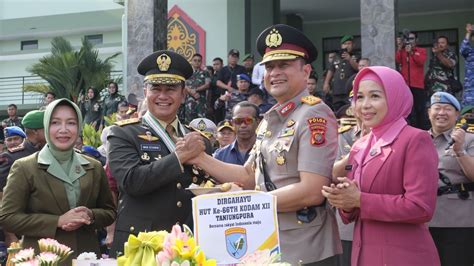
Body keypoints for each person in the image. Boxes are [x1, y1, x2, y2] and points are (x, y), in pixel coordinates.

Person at [189, 24, 342, 265]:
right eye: (270, 66)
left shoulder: (314, 115)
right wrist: (200, 158)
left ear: (306, 71)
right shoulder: (270, 119)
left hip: (307, 249)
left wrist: (248, 202)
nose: (275, 73)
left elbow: (313, 190)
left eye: (284, 65)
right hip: (269, 245)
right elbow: (249, 176)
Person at [322, 66, 440, 266]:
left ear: (395, 97)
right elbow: (353, 209)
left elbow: (421, 207)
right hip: (364, 256)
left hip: (404, 258)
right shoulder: (360, 144)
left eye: (375, 96)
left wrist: (360, 200)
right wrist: (345, 200)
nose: (364, 105)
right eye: (359, 97)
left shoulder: (414, 139)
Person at [107, 50, 210, 256]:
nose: (163, 96)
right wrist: (180, 157)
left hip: (187, 248)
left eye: (171, 88)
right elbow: (131, 181)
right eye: (156, 88)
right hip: (140, 248)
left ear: (183, 93)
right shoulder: (123, 133)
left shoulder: (198, 139)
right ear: (145, 91)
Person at [0, 99, 116, 264]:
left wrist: (90, 215)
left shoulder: (94, 166)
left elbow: (109, 212)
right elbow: (8, 217)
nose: (63, 130)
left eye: (71, 123)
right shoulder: (25, 167)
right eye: (55, 123)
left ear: (79, 127)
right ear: (46, 127)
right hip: (42, 258)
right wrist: (58, 221)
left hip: (85, 256)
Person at [427, 92, 474, 266]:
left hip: (459, 220)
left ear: (457, 115)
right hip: (423, 220)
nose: (441, 113)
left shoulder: (469, 139)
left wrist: (460, 150)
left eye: (448, 109)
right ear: (428, 112)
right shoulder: (417, 139)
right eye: (437, 108)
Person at [395, 31, 428, 129]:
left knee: (420, 110)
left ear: (416, 40)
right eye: (407, 39)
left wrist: (412, 52)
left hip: (418, 85)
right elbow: (397, 60)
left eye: (411, 39)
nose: (409, 41)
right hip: (406, 85)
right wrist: (400, 47)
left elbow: (421, 62)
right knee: (408, 110)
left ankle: (422, 131)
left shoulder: (421, 50)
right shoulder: (403, 51)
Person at [323, 35, 359, 112]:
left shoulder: (356, 56)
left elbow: (358, 68)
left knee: (350, 110)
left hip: (350, 90)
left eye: (349, 43)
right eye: (345, 44)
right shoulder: (336, 57)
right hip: (337, 90)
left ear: (353, 45)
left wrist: (349, 59)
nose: (347, 46)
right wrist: (326, 83)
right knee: (337, 109)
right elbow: (331, 70)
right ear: (341, 45)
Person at [183, 53, 211, 124]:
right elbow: (183, 84)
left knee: (201, 123)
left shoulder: (205, 73)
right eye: (195, 60)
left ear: (201, 62)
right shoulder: (187, 73)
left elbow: (207, 85)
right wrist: (191, 91)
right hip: (189, 102)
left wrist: (195, 90)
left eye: (199, 61)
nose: (197, 62)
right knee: (189, 122)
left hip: (201, 102)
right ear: (191, 61)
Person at [460, 23, 474, 106]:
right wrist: (468, 32)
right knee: (467, 116)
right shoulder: (470, 52)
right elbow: (463, 49)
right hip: (470, 90)